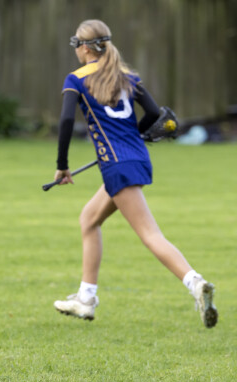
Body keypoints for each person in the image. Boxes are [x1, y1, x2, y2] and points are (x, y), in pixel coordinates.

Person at [51, 19, 218, 328]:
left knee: (150, 235)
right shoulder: (127, 76)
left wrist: (62, 165)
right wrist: (133, 135)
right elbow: (154, 113)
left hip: (117, 164)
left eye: (76, 43)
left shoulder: (76, 78)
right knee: (89, 219)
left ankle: (195, 283)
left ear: (84, 47)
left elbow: (65, 122)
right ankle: (85, 299)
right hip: (137, 158)